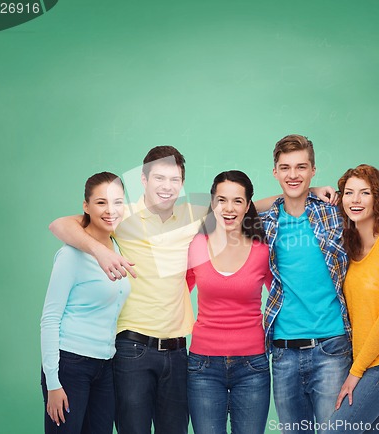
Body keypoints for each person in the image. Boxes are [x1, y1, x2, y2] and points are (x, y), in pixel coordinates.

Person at [48, 145, 337, 434]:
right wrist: (100, 252)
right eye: (159, 178)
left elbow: (246, 204)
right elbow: (61, 225)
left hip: (178, 350)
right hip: (132, 346)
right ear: (144, 181)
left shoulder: (194, 217)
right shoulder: (121, 215)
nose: (166, 186)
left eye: (174, 180)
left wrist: (308, 191)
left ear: (182, 184)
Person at [260, 135, 379, 433]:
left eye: (301, 168)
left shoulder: (334, 213)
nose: (293, 174)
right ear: (275, 172)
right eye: (285, 168)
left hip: (332, 348)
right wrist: (302, 192)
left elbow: (377, 222)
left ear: (314, 169)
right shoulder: (265, 220)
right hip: (282, 352)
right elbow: (222, 212)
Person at [41, 172, 131, 434]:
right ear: (86, 206)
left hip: (105, 365)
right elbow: (49, 318)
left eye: (117, 202)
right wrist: (53, 382)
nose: (110, 210)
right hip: (71, 365)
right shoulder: (71, 254)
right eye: (101, 202)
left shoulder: (119, 246)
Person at [324, 165, 379, 434]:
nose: (356, 200)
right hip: (362, 359)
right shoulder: (348, 247)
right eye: (349, 193)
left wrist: (355, 373)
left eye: (365, 192)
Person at [186, 170, 272, 434]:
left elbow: (286, 297)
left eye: (237, 201)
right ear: (212, 204)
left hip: (253, 366)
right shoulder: (195, 245)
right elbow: (174, 292)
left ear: (248, 206)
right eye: (221, 200)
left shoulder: (262, 251)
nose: (229, 208)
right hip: (202, 366)